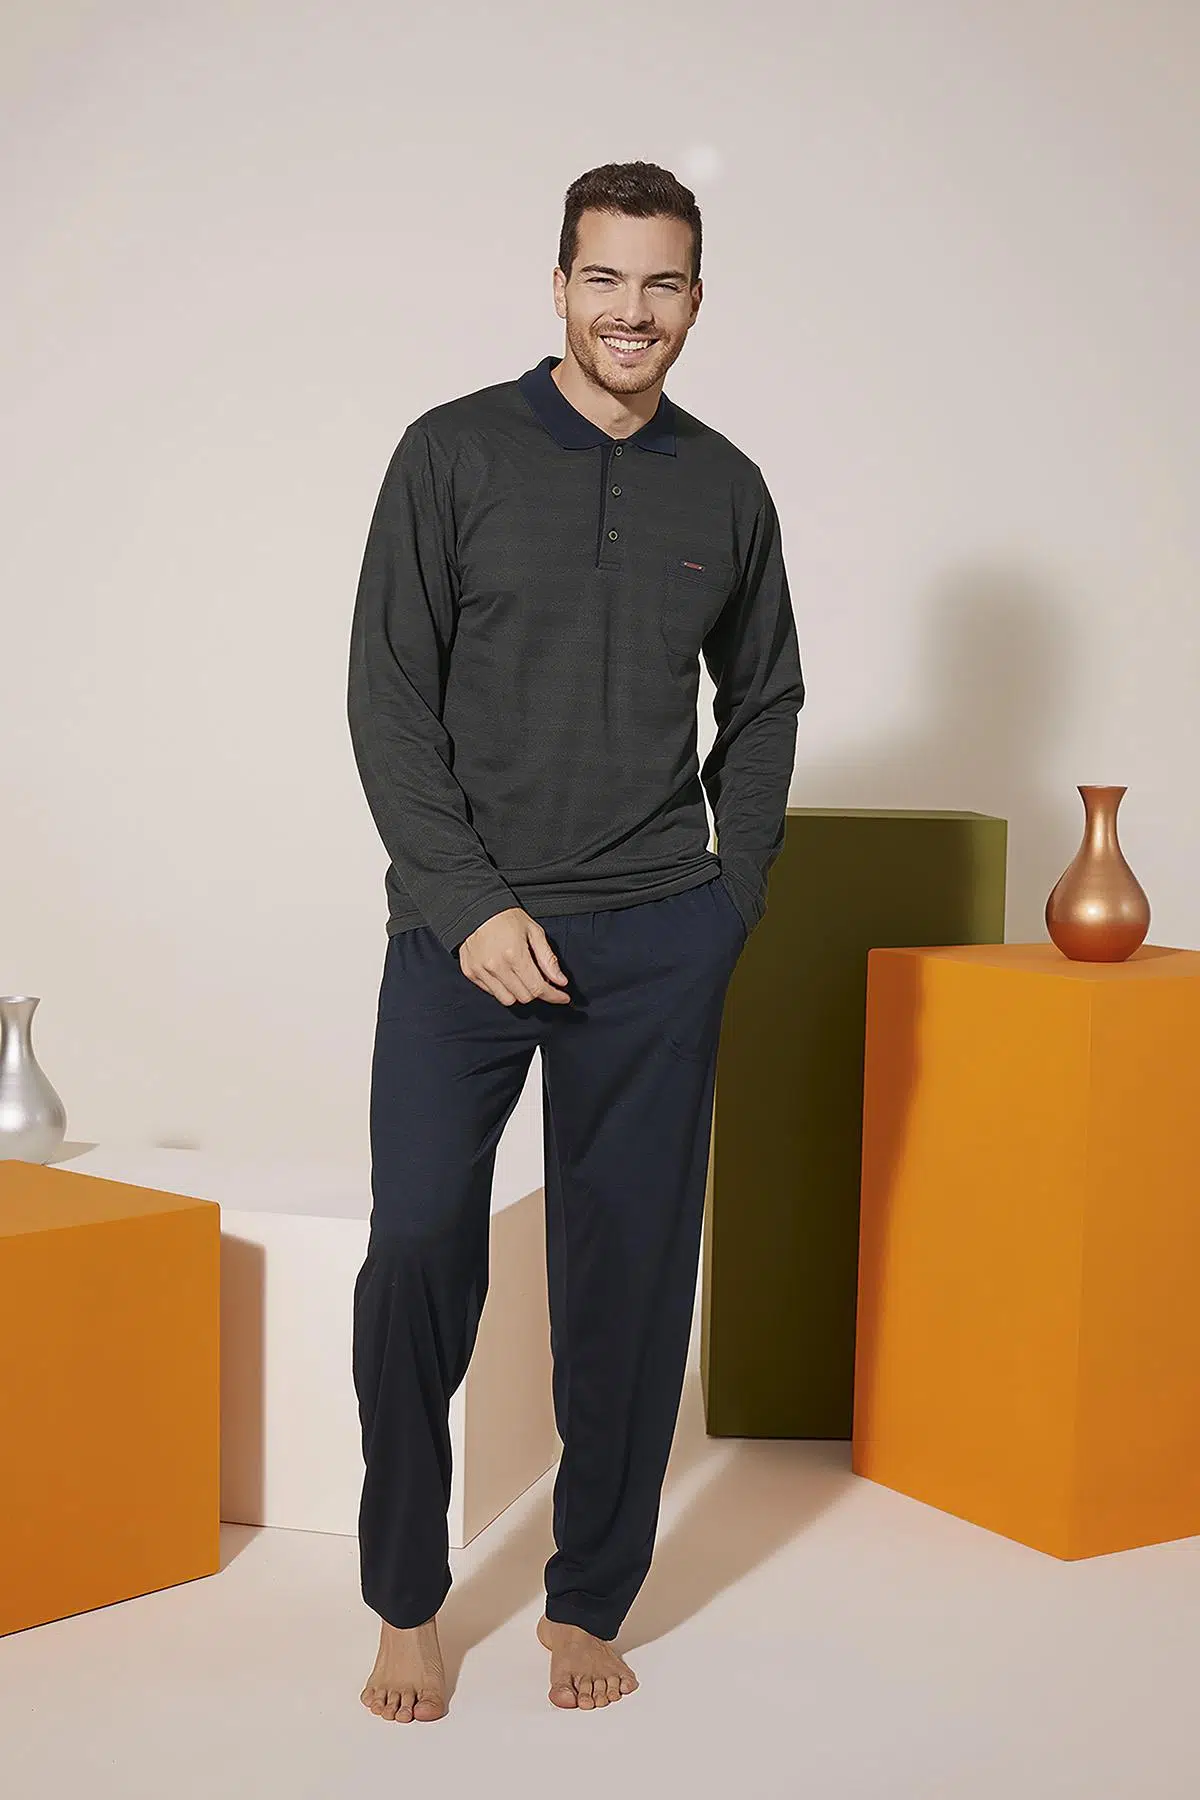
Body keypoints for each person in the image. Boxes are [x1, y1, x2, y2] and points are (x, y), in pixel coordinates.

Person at [347, 159, 805, 1723]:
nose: (631, 310)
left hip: (656, 937)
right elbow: (388, 695)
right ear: (558, 285)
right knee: (420, 1243)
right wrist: (468, 904)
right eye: (604, 278)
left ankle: (587, 1597)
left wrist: (732, 895)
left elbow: (766, 699)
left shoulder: (726, 486)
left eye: (662, 282)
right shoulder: (452, 452)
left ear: (696, 299)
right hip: (462, 934)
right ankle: (406, 1598)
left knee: (629, 1278)